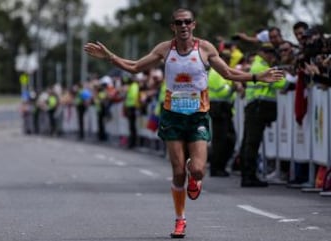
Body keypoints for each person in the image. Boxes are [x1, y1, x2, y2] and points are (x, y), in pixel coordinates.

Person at [84, 8, 283, 238]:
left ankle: (194, 175)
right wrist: (109, 57)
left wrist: (257, 77)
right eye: (179, 22)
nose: (184, 26)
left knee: (197, 170)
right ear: (173, 27)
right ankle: (180, 220)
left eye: (187, 21)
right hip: (172, 116)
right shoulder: (165, 49)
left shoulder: (205, 48)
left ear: (194, 24)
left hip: (198, 115)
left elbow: (228, 72)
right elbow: (136, 66)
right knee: (178, 174)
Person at [239, 43, 286, 188]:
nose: (271, 55)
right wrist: (284, 75)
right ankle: (249, 177)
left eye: (272, 52)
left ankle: (248, 175)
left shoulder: (258, 64)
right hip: (257, 108)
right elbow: (281, 84)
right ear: (261, 52)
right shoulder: (262, 67)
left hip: (254, 107)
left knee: (249, 142)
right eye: (268, 52)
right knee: (252, 143)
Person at [207, 49, 243, 177]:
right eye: (226, 59)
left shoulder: (221, 72)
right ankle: (216, 167)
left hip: (224, 109)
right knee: (221, 140)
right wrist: (234, 87)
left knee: (227, 139)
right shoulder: (216, 73)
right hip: (219, 108)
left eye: (228, 59)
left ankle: (219, 166)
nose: (227, 62)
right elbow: (222, 91)